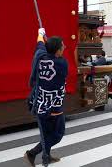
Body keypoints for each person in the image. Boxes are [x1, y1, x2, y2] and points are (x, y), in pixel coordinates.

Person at [25, 28, 68, 167]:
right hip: (54, 105)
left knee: (46, 133)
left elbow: (40, 46)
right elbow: (45, 48)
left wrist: (40, 34)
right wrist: (46, 39)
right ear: (58, 51)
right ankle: (32, 153)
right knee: (57, 134)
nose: (65, 47)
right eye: (62, 45)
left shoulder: (40, 56)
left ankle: (46, 157)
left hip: (40, 103)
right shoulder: (62, 63)